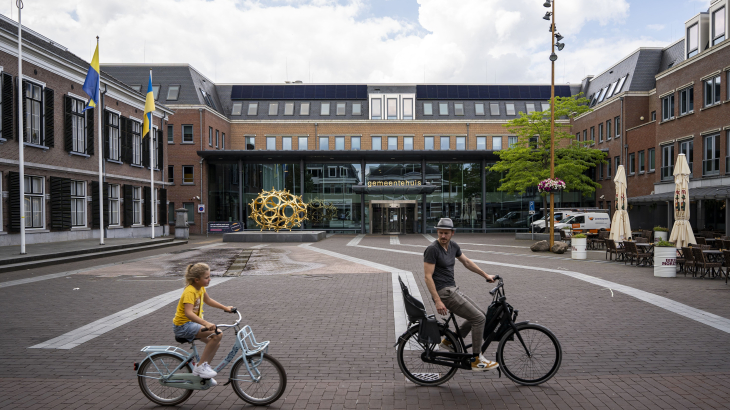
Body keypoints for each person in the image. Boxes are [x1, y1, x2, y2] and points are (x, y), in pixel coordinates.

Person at [423, 218, 499, 371]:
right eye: (440, 233)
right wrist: (437, 300)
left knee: (479, 315)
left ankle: (451, 341)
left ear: (452, 233)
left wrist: (486, 275)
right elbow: (427, 276)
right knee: (479, 318)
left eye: (446, 233)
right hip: (444, 293)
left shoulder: (453, 246)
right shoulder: (432, 249)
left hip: (452, 289)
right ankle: (477, 359)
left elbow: (467, 262)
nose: (442, 236)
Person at [172, 263, 233, 385]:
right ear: (197, 280)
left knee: (216, 341)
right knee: (217, 334)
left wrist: (224, 308)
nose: (209, 279)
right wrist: (206, 323)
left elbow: (208, 300)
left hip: (190, 325)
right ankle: (200, 367)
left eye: (209, 276)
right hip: (183, 326)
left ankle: (204, 371)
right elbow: (188, 313)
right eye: (207, 277)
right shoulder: (190, 291)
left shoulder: (200, 288)